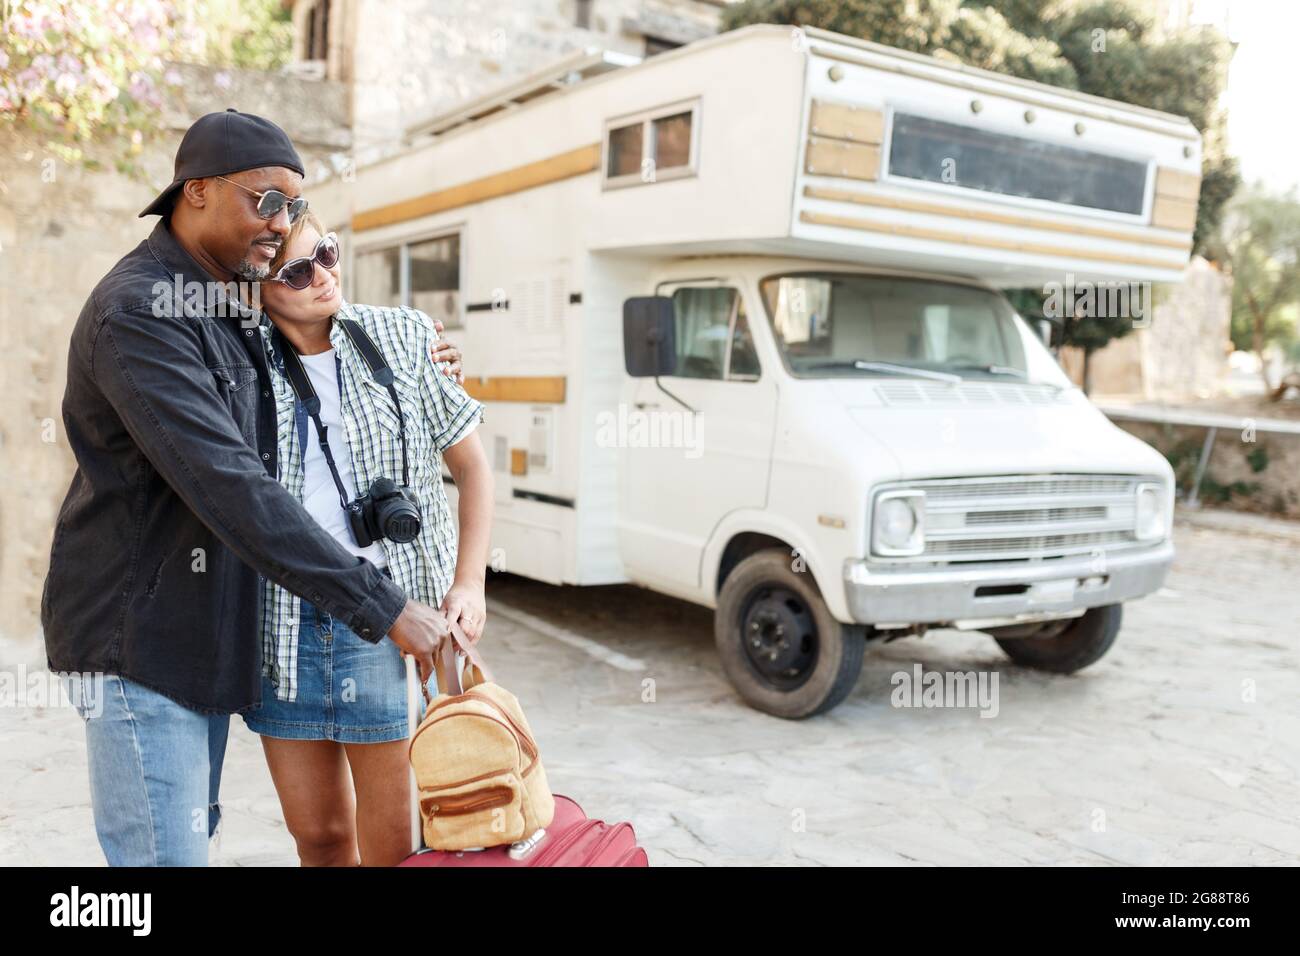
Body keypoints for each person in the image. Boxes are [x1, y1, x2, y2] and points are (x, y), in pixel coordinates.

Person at [43, 110, 460, 866]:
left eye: (295, 206)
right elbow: (229, 484)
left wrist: (417, 355)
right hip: (138, 650)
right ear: (195, 192)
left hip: (199, 647)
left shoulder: (221, 301)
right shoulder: (140, 309)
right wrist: (386, 606)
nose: (282, 223)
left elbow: (314, 341)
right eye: (266, 200)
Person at [242, 212, 493, 866]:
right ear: (260, 289)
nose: (324, 276)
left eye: (327, 253)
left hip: (388, 620)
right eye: (297, 270)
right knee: (319, 838)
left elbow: (471, 468)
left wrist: (469, 583)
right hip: (282, 625)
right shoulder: (238, 361)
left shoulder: (405, 337)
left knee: (393, 846)